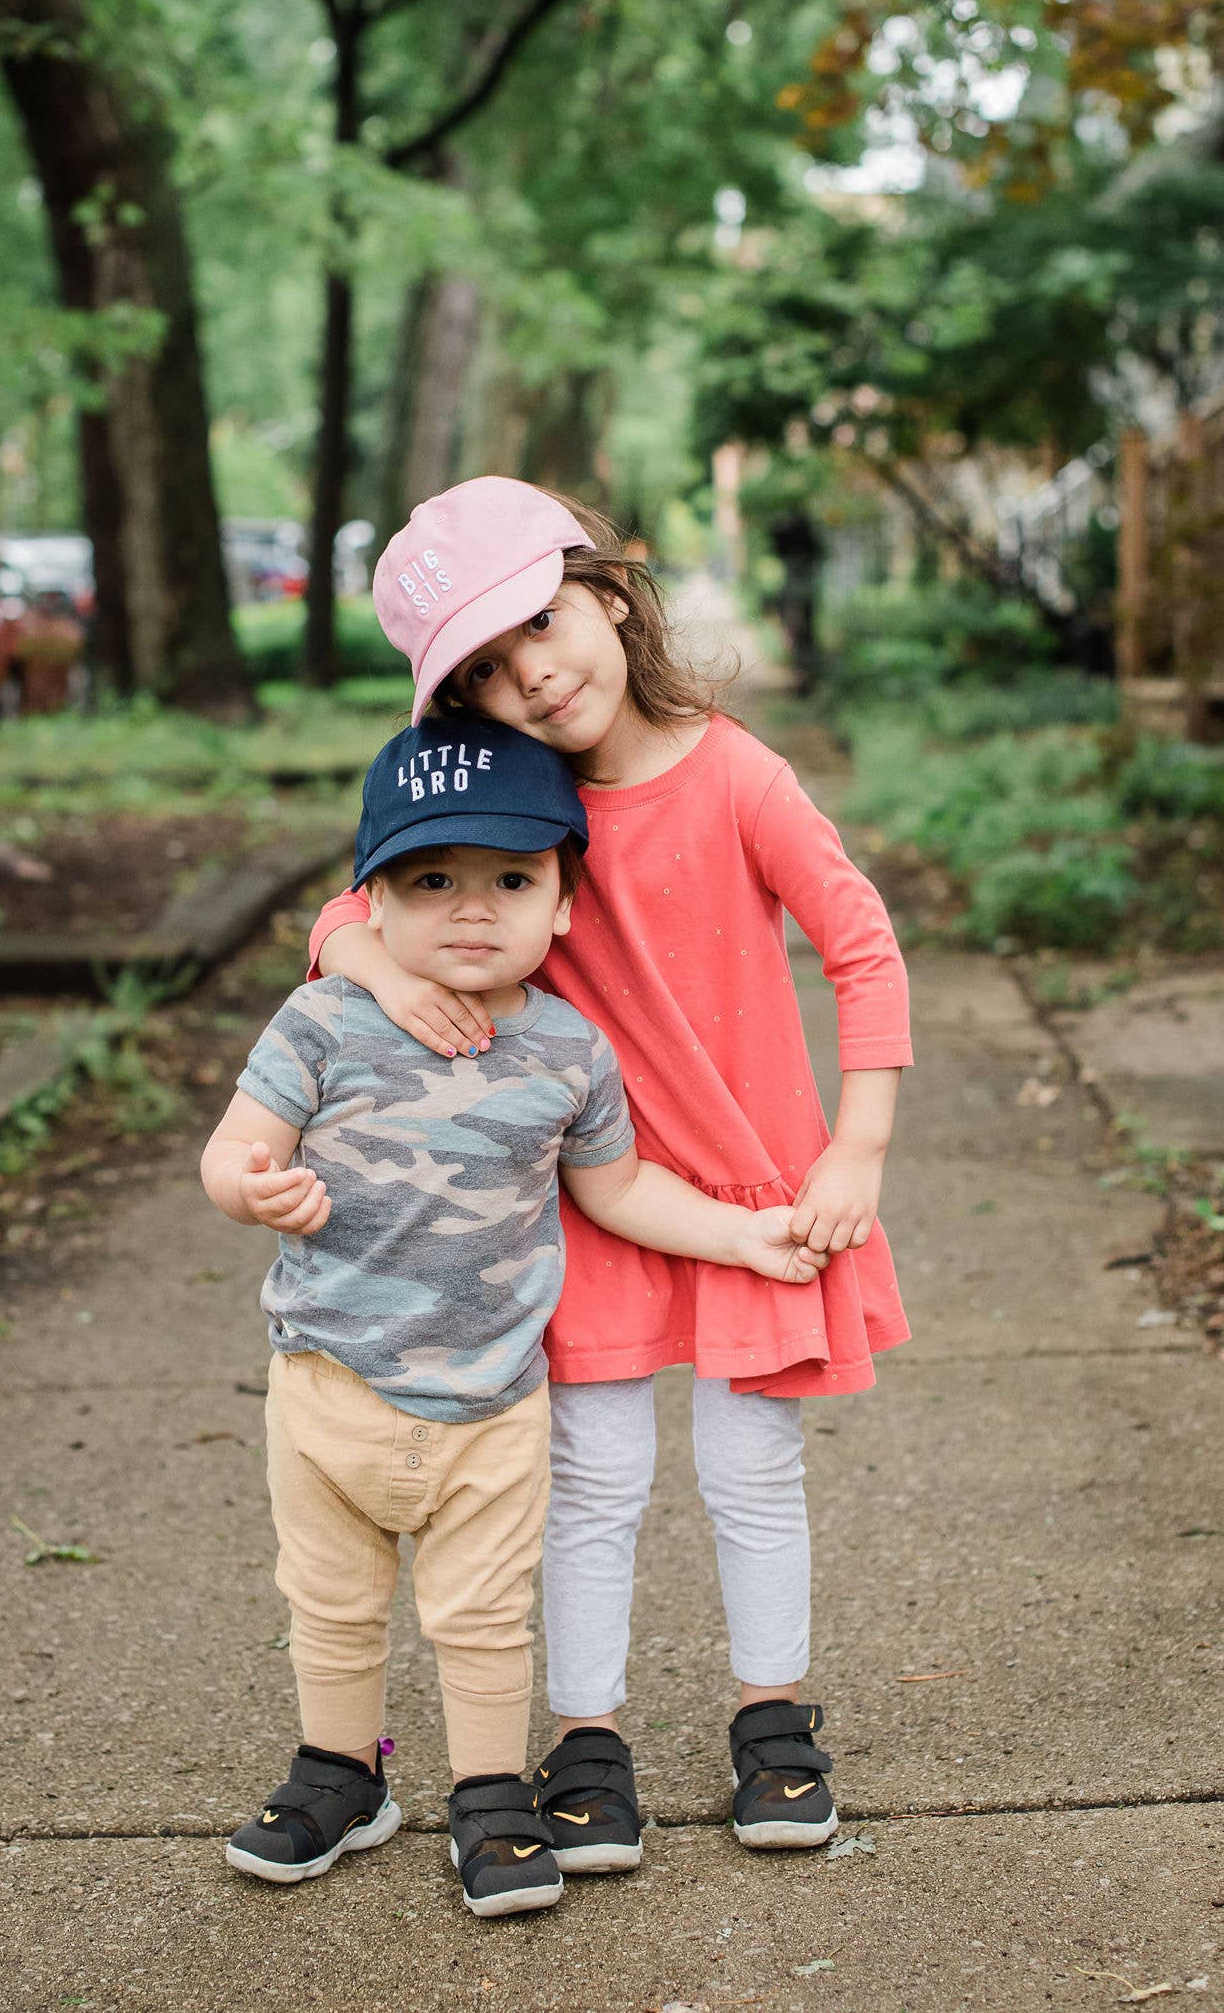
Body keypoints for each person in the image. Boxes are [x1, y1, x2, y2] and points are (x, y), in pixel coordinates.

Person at [308, 475, 913, 1873]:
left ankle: (772, 1723)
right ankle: (587, 1738)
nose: (531, 669)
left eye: (539, 620)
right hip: (592, 1194)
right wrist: (362, 964)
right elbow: (351, 908)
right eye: (484, 668)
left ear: (606, 589)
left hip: (760, 1190)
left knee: (750, 1468)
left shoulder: (734, 772)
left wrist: (856, 1142)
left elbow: (861, 944)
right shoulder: (518, 805)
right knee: (589, 1478)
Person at [201, 715, 829, 1918]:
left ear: (563, 905)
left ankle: (489, 1791)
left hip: (493, 1398)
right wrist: (251, 1189)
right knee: (328, 1600)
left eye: (510, 880)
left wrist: (746, 1233)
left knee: (481, 1612)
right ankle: (346, 1772)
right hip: (327, 1381)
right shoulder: (323, 1021)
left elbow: (619, 1188)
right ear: (372, 899)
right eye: (431, 879)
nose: (471, 908)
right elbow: (232, 1150)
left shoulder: (570, 1049)